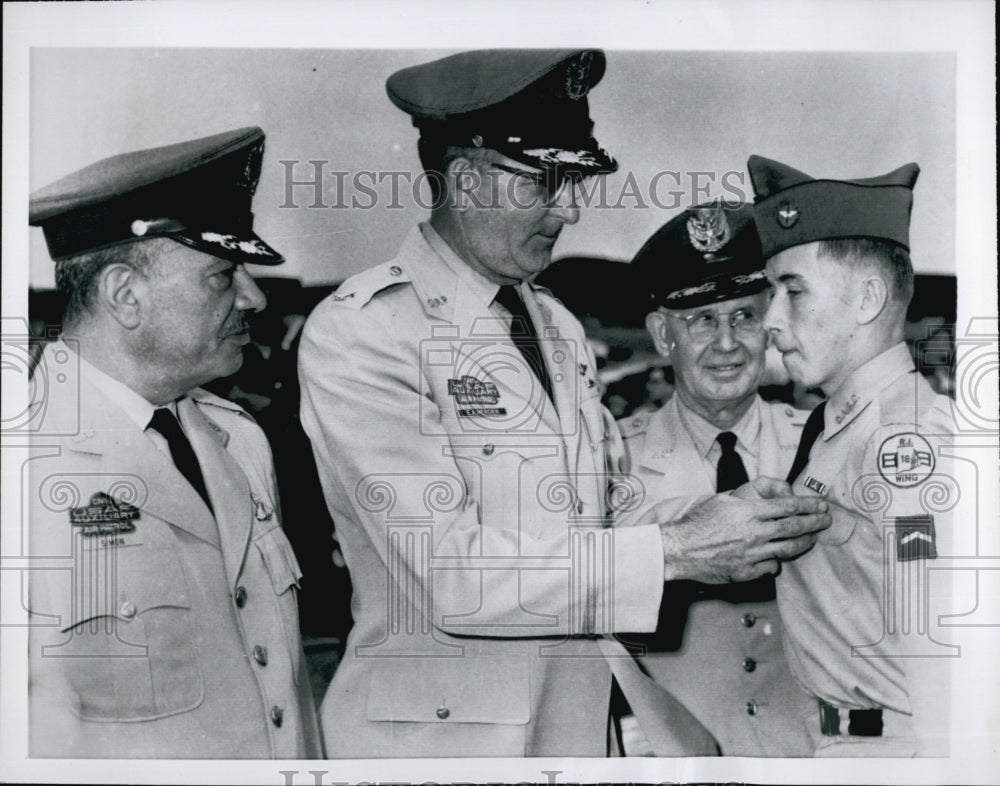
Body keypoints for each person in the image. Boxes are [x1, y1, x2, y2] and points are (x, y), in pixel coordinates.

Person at [298, 49, 830, 758]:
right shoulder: (366, 330)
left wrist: (734, 519)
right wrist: (678, 549)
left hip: (573, 734)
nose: (571, 209)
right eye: (548, 182)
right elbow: (454, 576)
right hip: (439, 748)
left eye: (576, 182)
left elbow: (601, 508)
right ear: (466, 179)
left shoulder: (556, 327)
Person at [26, 127, 323, 758]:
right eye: (223, 275)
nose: (255, 296)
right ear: (125, 295)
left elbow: (284, 696)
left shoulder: (239, 442)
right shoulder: (22, 460)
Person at [748, 154, 955, 756]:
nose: (771, 321)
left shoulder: (906, 444)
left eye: (792, 291)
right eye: (770, 294)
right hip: (837, 744)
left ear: (867, 298)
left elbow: (942, 654)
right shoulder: (839, 426)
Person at [614, 202, 815, 756]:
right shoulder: (610, 463)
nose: (727, 343)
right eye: (702, 320)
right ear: (662, 335)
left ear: (771, 326)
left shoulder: (822, 447)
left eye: (745, 316)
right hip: (666, 757)